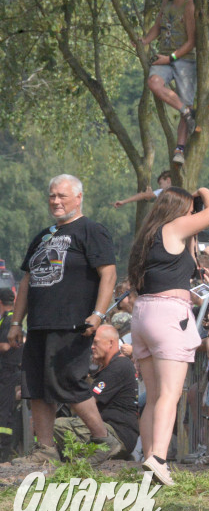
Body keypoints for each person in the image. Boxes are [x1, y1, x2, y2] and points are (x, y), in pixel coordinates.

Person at [8, 174, 118, 467]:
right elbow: (28, 280)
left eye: (62, 196)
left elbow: (108, 274)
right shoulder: (42, 236)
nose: (56, 201)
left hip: (73, 322)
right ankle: (44, 451)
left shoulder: (91, 230)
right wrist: (17, 323)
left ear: (79, 197)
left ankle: (102, 439)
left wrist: (97, 314)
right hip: (40, 323)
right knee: (35, 386)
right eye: (52, 196)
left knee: (68, 382)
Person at [127, 184, 209, 485]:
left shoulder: (148, 235)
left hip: (143, 314)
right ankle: (158, 458)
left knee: (153, 396)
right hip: (168, 316)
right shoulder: (176, 226)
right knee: (170, 394)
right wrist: (202, 191)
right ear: (180, 208)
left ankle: (148, 457)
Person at [138, 0, 198, 165]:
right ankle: (185, 113)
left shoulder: (189, 5)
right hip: (164, 55)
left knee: (187, 100)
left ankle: (179, 149)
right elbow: (158, 24)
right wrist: (145, 40)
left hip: (182, 58)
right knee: (154, 83)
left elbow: (191, 42)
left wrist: (170, 58)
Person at [53, 324, 138, 461]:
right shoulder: (113, 365)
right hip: (113, 432)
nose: (92, 347)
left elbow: (89, 402)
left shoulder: (118, 366)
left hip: (117, 434)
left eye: (96, 342)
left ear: (110, 343)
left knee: (59, 425)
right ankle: (83, 456)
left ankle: (87, 456)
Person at [0, 288, 21, 462]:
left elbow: (5, 346)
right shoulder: (15, 319)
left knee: (4, 412)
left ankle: (3, 452)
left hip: (8, 372)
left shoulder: (8, 320)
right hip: (12, 371)